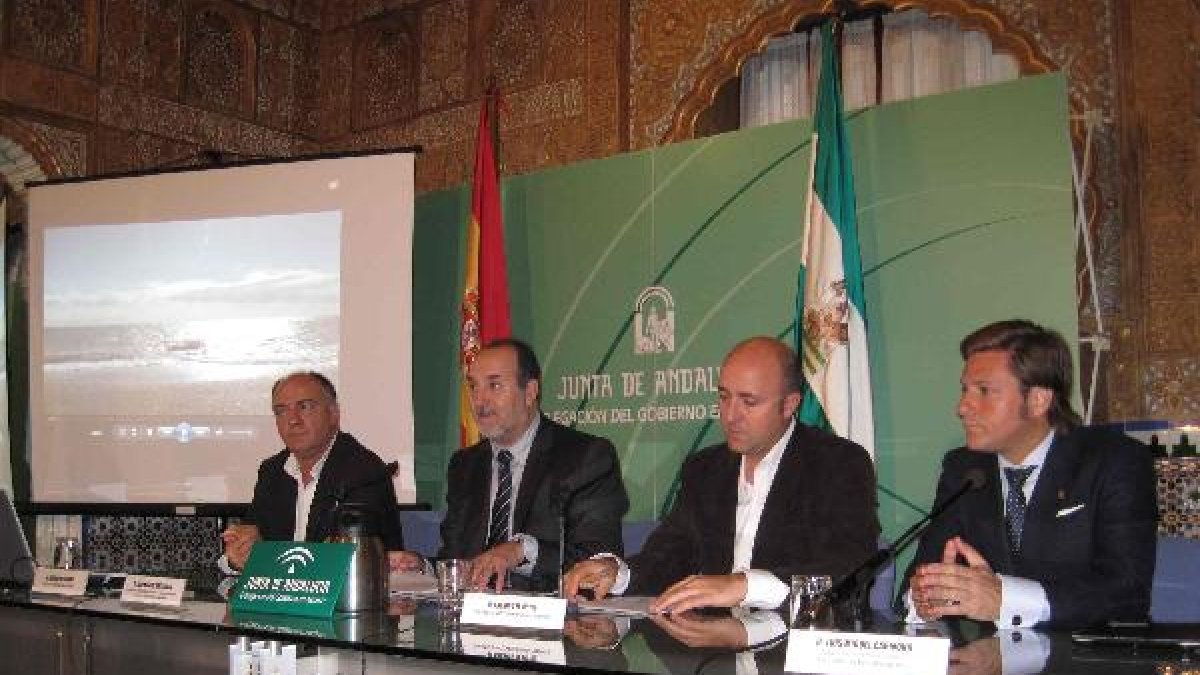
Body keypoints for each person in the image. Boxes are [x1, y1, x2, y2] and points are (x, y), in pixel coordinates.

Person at [564, 336, 879, 614]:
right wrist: (619, 573)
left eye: (748, 402)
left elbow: (847, 565)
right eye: (724, 396)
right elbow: (671, 554)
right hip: (712, 643)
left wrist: (743, 585)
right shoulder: (705, 468)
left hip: (793, 639)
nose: (730, 415)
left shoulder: (837, 463)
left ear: (789, 405)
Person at [901, 319, 1157, 628]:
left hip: (1087, 650)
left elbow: (1127, 592)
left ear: (1038, 400)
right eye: (965, 390)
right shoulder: (963, 469)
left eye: (984, 391)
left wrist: (1007, 599)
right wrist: (925, 596)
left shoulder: (1115, 461)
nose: (963, 407)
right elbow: (923, 573)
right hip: (988, 653)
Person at [392, 338, 629, 592]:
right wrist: (423, 567)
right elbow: (460, 560)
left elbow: (596, 562)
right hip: (474, 611)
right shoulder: (465, 465)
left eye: (494, 385)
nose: (479, 401)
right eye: (473, 387)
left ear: (530, 392)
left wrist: (522, 551)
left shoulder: (583, 457)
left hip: (547, 611)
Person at [221, 371, 404, 570]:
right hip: (284, 587)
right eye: (281, 411)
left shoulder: (364, 472)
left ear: (333, 414)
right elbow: (250, 538)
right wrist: (239, 554)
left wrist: (266, 555)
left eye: (304, 407)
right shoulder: (272, 471)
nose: (293, 420)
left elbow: (345, 560)